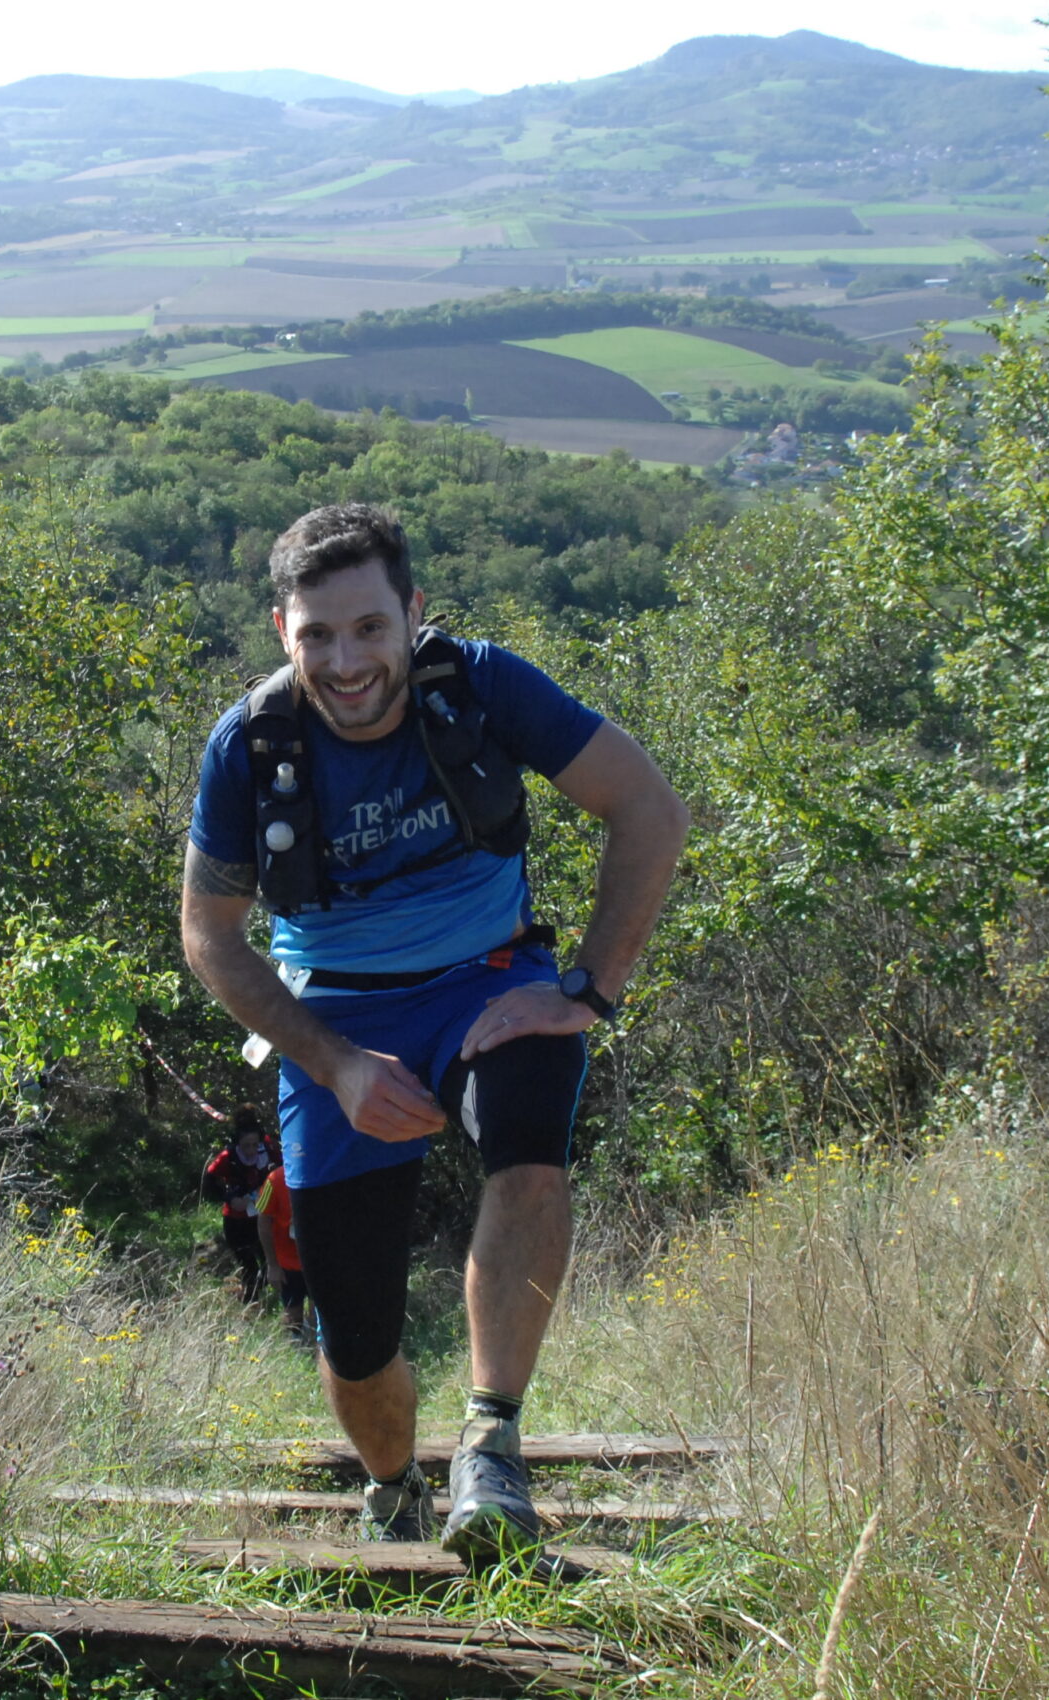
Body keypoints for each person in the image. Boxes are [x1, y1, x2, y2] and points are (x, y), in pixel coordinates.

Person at [179, 502, 686, 1561]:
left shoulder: (482, 685)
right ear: (282, 631)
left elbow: (646, 805)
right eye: (318, 634)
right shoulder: (252, 745)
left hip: (487, 982)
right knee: (355, 1329)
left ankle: (492, 1445)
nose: (346, 661)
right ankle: (393, 1483)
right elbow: (209, 936)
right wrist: (336, 1065)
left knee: (529, 1138)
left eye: (370, 627)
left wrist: (586, 990)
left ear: (412, 612)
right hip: (337, 1019)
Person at [200, 1109, 276, 1302]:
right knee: (248, 1265)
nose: (251, 1150)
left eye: (255, 1145)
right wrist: (230, 1198)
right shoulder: (227, 1157)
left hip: (262, 1216)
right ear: (237, 1144)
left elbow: (285, 1169)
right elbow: (208, 1182)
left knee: (269, 1261)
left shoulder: (268, 1149)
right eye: (246, 1146)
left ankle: (257, 1295)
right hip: (236, 1219)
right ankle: (250, 1301)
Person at [255, 1158, 310, 1343]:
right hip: (287, 1263)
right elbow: (263, 1218)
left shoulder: (326, 1174)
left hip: (320, 1262)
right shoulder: (275, 1179)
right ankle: (295, 1349)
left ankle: (318, 1351)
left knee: (320, 1316)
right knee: (293, 1316)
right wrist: (272, 1265)